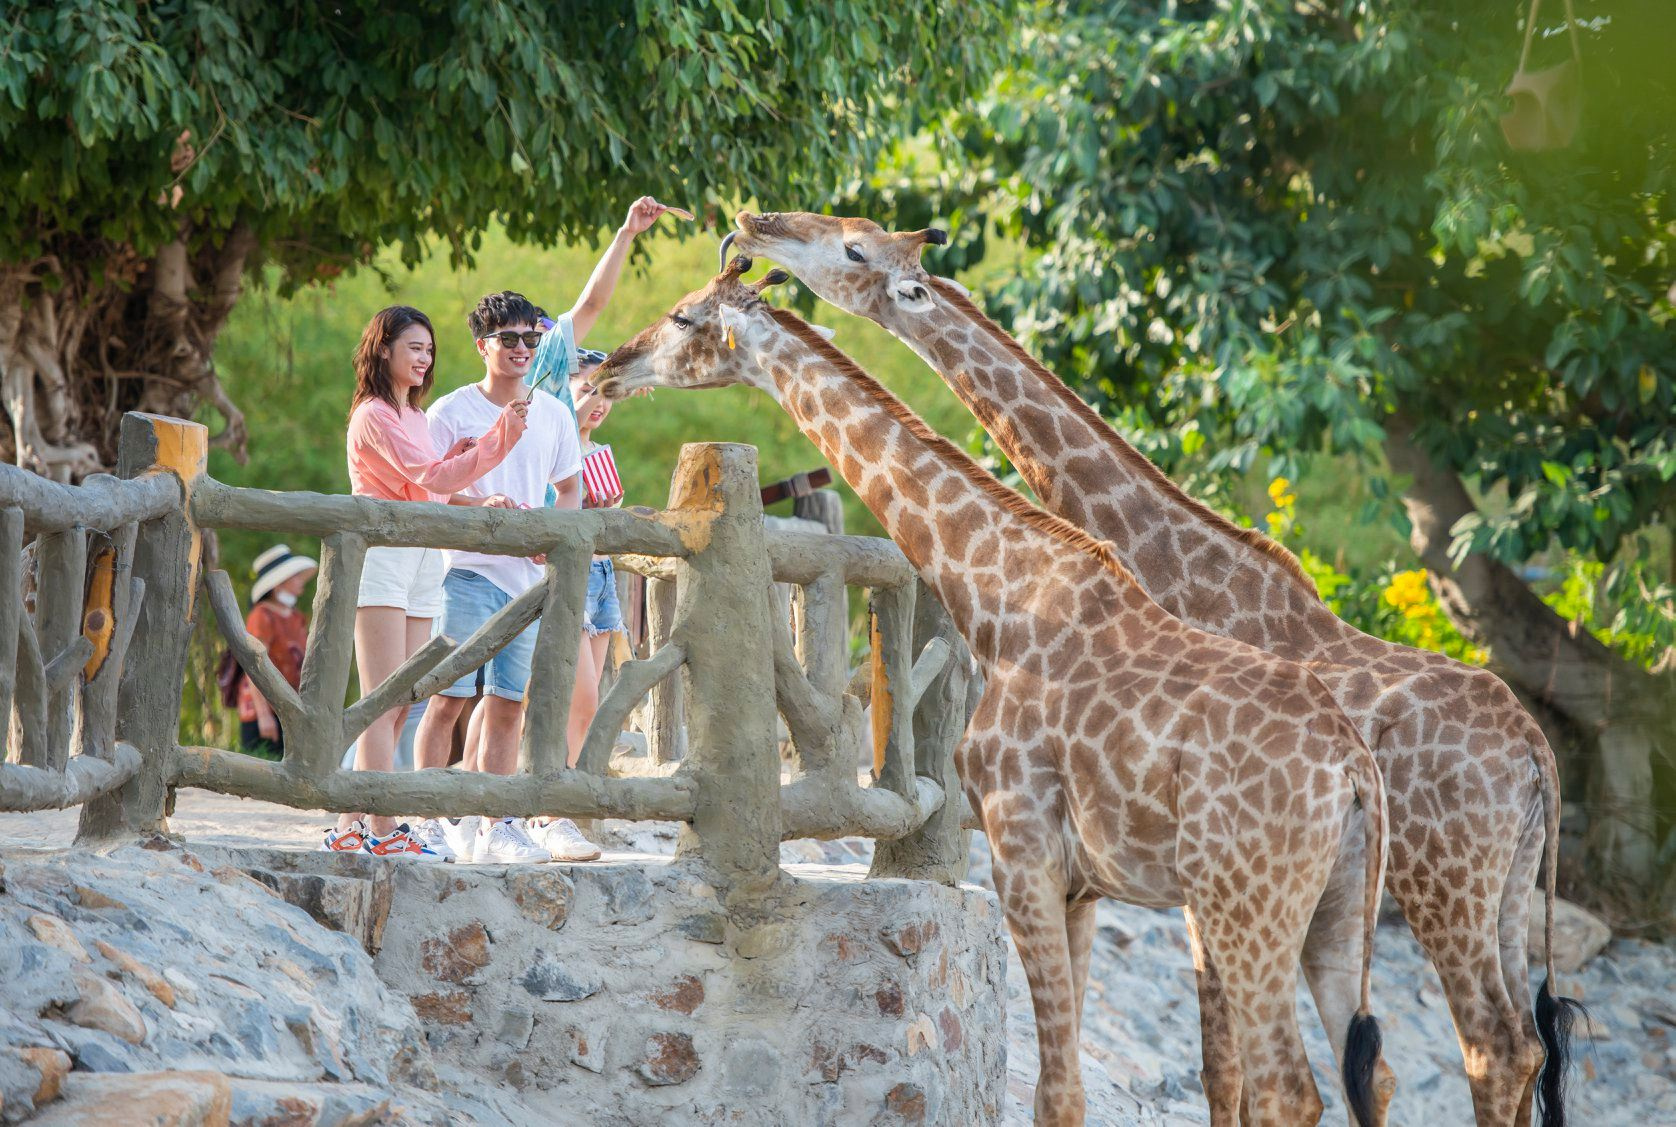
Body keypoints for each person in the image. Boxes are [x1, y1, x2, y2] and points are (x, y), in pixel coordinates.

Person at [413, 196, 685, 865]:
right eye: (511, 340)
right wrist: (484, 507)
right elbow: (427, 484)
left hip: (548, 571)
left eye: (533, 340)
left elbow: (570, 486)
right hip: (473, 569)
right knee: (452, 698)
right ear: (485, 345)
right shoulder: (455, 409)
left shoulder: (555, 409)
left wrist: (555, 535)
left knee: (521, 703)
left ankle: (502, 820)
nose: (526, 349)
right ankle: (427, 815)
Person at [324, 305, 529, 860]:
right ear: (384, 348)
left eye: (430, 350)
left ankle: (351, 823)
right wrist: (499, 439)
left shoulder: (413, 416)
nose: (424, 358)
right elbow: (430, 475)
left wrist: (476, 493)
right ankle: (385, 829)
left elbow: (434, 489)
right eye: (415, 347)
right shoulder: (373, 415)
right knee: (381, 697)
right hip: (382, 555)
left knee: (398, 703)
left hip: (419, 556)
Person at [237, 545, 316, 761]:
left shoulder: (296, 617)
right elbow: (254, 666)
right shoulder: (262, 616)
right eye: (295, 577)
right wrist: (263, 716)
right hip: (264, 712)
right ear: (280, 582)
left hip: (289, 709)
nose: (301, 581)